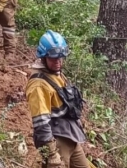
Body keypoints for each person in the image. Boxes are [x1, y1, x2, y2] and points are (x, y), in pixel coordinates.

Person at [25, 30, 88, 168]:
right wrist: (52, 153)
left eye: (60, 58)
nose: (58, 62)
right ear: (43, 57)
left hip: (70, 137)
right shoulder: (38, 84)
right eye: (53, 58)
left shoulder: (56, 74)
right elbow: (41, 122)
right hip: (57, 140)